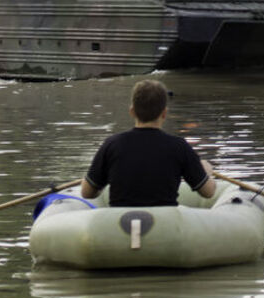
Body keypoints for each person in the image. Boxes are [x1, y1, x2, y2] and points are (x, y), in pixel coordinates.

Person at [81, 80, 216, 207]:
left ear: (132, 112)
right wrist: (206, 173)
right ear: (164, 113)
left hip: (120, 227)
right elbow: (208, 192)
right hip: (164, 226)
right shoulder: (179, 147)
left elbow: (87, 193)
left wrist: (100, 182)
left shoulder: (112, 145)